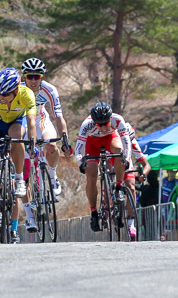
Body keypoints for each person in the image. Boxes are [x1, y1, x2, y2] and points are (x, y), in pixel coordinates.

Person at [0, 67, 37, 240]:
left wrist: (32, 143)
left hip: (16, 123)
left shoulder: (26, 94)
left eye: (5, 95)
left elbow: (31, 121)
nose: (1, 98)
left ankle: (19, 178)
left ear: (15, 90)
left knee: (17, 136)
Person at [74, 102, 131, 232]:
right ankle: (93, 212)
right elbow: (78, 149)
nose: (104, 127)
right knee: (91, 174)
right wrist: (80, 163)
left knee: (119, 151)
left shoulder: (118, 120)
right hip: (92, 143)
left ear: (111, 119)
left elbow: (126, 142)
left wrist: (126, 159)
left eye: (106, 123)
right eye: (100, 125)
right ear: (94, 122)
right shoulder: (86, 124)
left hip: (111, 139)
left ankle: (119, 186)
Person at [20, 58, 72, 196]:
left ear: (42, 76)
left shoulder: (50, 90)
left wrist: (65, 140)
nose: (33, 80)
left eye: (37, 76)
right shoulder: (17, 88)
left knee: (51, 147)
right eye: (29, 76)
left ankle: (52, 175)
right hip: (22, 121)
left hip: (40, 120)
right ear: (23, 76)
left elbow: (58, 117)